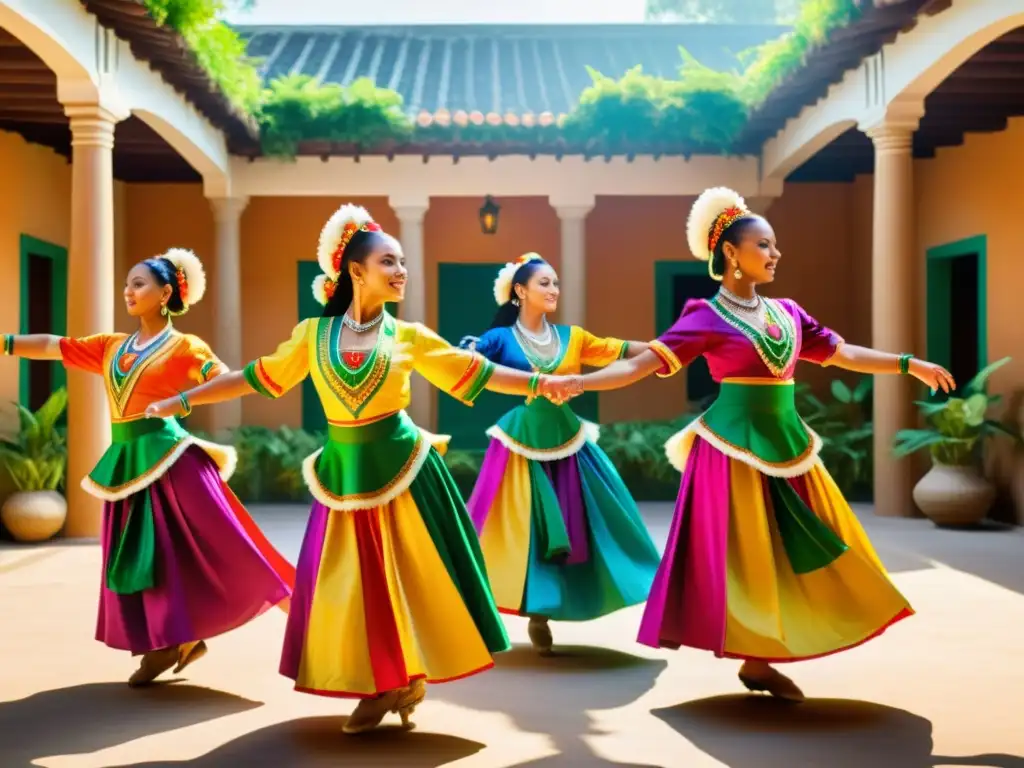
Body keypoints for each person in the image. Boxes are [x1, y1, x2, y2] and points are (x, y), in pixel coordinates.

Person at [144, 205, 579, 734]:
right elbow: (252, 377)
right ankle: (383, 684)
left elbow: (479, 371)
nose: (401, 271)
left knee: (415, 582)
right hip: (342, 478)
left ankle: (403, 679)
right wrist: (183, 400)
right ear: (355, 271)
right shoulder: (312, 336)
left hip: (405, 472)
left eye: (402, 262)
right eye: (388, 261)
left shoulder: (411, 335)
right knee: (353, 586)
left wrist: (538, 383)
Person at [560, 187, 955, 702]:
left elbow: (843, 354)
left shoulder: (787, 312)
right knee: (745, 554)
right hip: (730, 450)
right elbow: (639, 365)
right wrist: (580, 383)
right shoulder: (703, 316)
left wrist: (908, 363)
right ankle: (758, 657)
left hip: (787, 445)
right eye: (764, 245)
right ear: (731, 253)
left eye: (774, 246)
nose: (775, 254)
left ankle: (760, 658)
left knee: (813, 541)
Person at [1, 248, 294, 687]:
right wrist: (6, 342)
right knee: (145, 556)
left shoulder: (185, 347)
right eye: (126, 284)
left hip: (173, 459)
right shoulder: (110, 347)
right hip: (127, 464)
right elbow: (52, 345)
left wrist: (183, 400)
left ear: (165, 293)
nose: (128, 291)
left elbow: (222, 379)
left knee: (227, 542)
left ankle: (298, 610)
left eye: (139, 284)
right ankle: (171, 640)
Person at [458, 253, 661, 655]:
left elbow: (620, 350)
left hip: (568, 441)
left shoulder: (574, 337)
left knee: (586, 523)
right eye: (544, 283)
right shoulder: (499, 339)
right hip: (520, 443)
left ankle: (551, 608)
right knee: (520, 527)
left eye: (555, 283)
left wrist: (668, 348)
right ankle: (510, 609)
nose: (553, 290)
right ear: (520, 291)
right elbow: (469, 366)